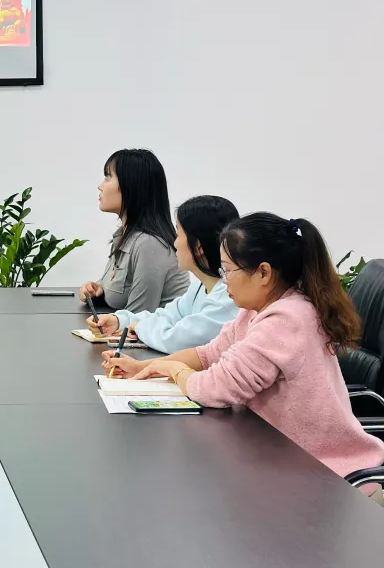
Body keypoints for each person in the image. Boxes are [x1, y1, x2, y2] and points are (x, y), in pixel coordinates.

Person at [104, 213, 384, 504]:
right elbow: (208, 354)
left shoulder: (287, 319)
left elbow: (215, 388)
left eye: (228, 270)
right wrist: (145, 367)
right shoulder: (257, 310)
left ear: (263, 273)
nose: (224, 280)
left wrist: (175, 371)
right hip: (285, 461)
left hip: (328, 480)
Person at [87, 195, 239, 353]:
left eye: (178, 234)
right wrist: (120, 320)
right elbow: (166, 316)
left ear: (198, 247)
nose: (174, 242)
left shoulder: (228, 298)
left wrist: (139, 327)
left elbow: (178, 341)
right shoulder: (200, 288)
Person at [79, 149, 189, 313]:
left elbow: (138, 317)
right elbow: (115, 291)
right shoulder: (125, 236)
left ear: (131, 186)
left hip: (146, 330)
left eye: (108, 177)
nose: (100, 186)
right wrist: (95, 290)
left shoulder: (149, 244)